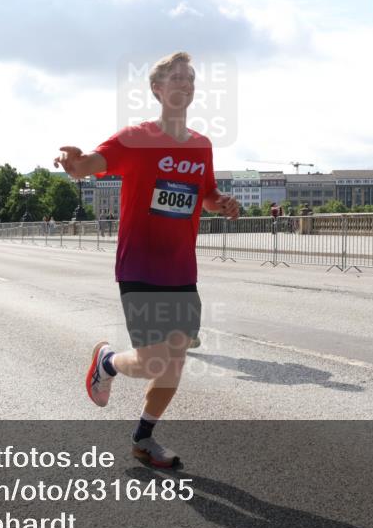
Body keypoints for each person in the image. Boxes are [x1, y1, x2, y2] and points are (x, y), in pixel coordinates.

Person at [53, 51, 239, 468]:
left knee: (173, 363)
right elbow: (86, 165)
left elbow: (204, 194)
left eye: (190, 78)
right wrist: (72, 162)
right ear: (156, 89)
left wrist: (220, 202)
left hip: (181, 268)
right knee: (155, 358)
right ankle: (107, 363)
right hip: (139, 263)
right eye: (176, 78)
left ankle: (143, 437)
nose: (185, 84)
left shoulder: (201, 145)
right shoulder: (135, 138)